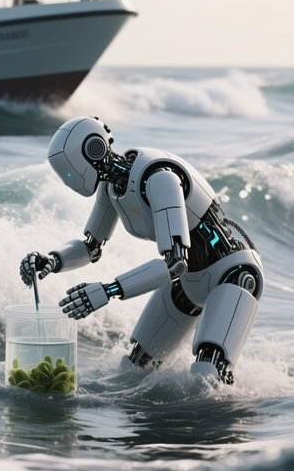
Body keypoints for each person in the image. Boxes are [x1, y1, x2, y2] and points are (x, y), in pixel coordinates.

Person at [19, 116, 264, 384]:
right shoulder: (111, 187)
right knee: (133, 371)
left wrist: (108, 290)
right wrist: (51, 261)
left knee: (206, 378)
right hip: (184, 285)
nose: (69, 178)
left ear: (93, 150)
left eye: (68, 171)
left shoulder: (159, 178)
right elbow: (91, 247)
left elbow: (174, 264)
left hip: (232, 274)